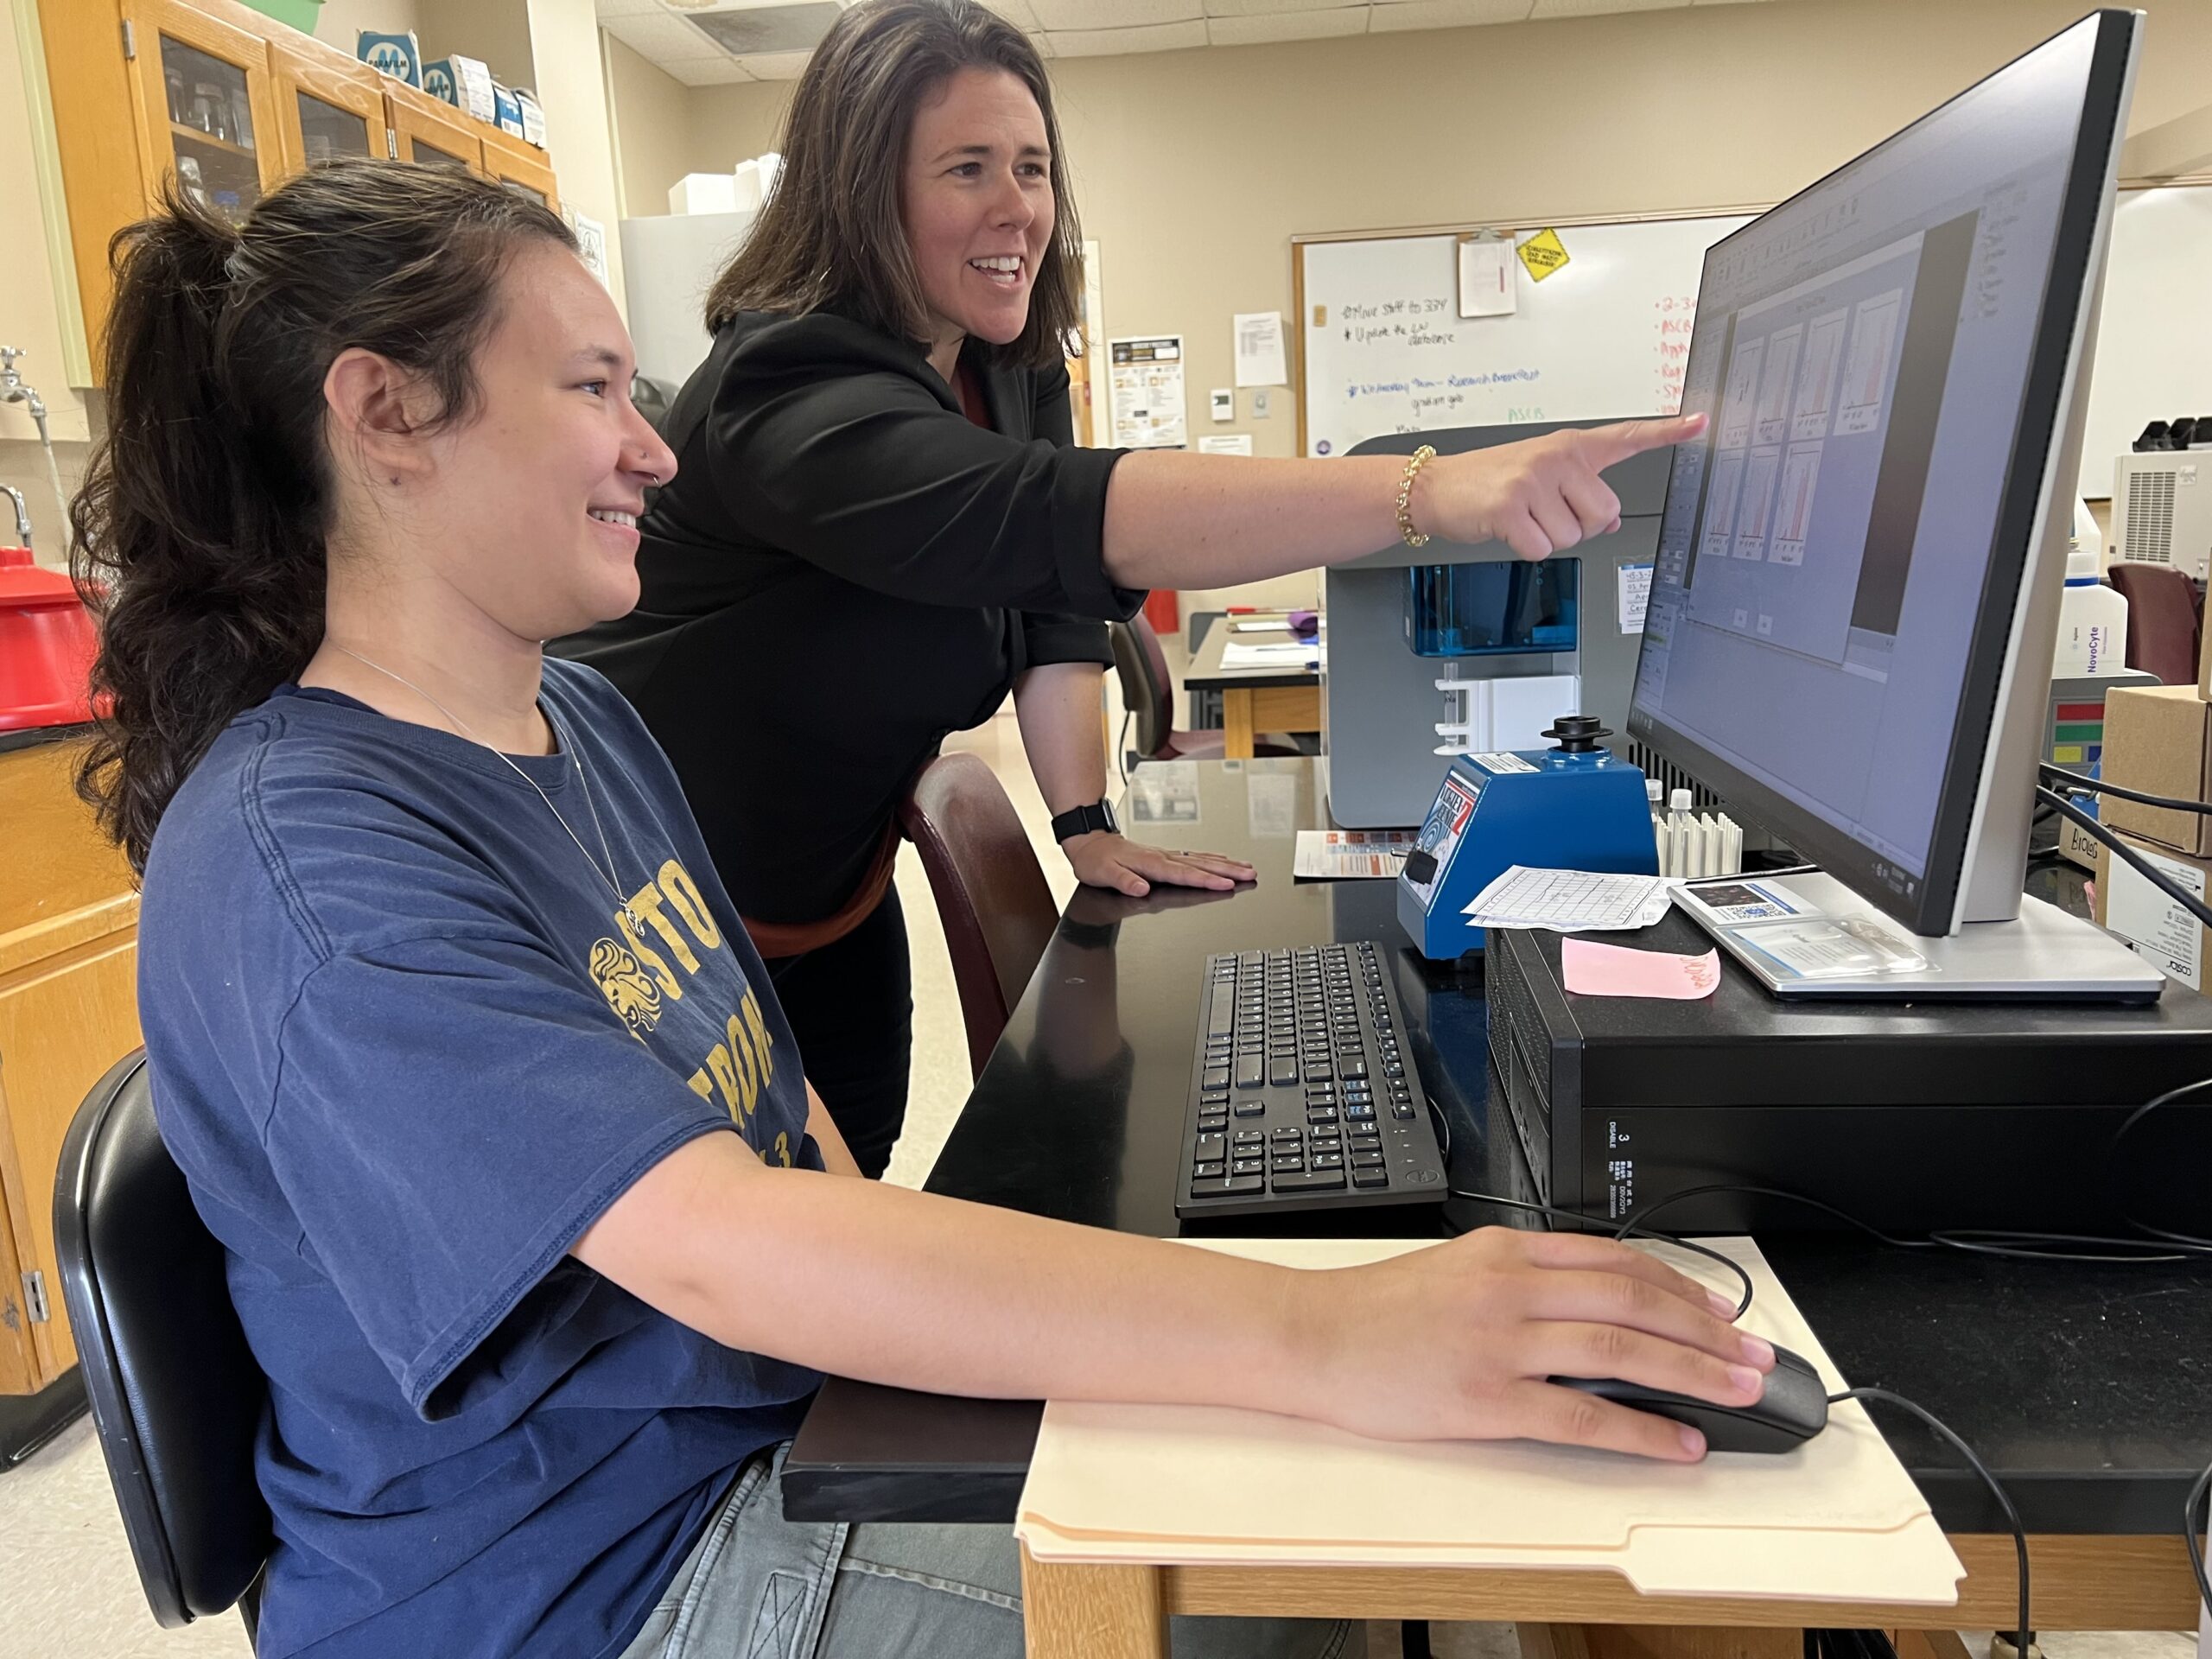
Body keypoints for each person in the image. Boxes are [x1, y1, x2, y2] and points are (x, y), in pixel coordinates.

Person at [77, 161, 1766, 1659]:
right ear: (385, 417)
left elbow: (775, 1116)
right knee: (1300, 1549)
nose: (652, 449)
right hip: (596, 1587)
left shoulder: (572, 716)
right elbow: (721, 1242)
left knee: (1331, 1456)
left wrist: (1004, 1339)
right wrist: (1320, 1332)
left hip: (779, 1429)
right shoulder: (312, 861)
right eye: (592, 388)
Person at [557, 0, 1700, 1178]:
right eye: (966, 168)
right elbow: (1056, 516)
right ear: (862, 195)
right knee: (735, 1235)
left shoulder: (1004, 363)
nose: (1018, 208)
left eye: (1032, 167)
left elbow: (1053, 605)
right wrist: (1431, 491)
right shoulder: (788, 387)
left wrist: (1083, 824)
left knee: (857, 1168)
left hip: (830, 880)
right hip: (648, 906)